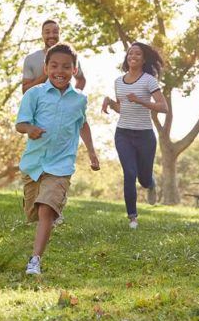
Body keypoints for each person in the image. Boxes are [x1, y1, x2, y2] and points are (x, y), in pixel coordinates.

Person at [16, 42, 100, 275]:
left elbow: (82, 124)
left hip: (61, 164)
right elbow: (20, 123)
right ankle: (49, 205)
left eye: (66, 66)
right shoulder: (34, 94)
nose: (59, 71)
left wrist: (92, 152)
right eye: (54, 66)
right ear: (46, 67)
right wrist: (30, 129)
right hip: (34, 164)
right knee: (34, 210)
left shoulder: (79, 100)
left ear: (74, 70)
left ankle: (35, 261)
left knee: (46, 210)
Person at [101, 42, 168, 229]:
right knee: (129, 173)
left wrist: (140, 100)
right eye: (130, 53)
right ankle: (132, 217)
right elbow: (122, 109)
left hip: (145, 135)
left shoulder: (149, 80)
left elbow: (164, 108)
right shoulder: (118, 81)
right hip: (123, 134)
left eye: (137, 54)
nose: (133, 56)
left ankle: (151, 182)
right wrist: (109, 102)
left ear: (144, 59)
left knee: (144, 179)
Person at [22, 19, 86, 94]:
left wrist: (72, 98)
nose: (51, 35)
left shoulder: (70, 57)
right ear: (42, 34)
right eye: (47, 32)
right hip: (40, 105)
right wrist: (47, 74)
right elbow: (25, 91)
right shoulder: (31, 59)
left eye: (55, 32)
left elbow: (81, 80)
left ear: (59, 34)